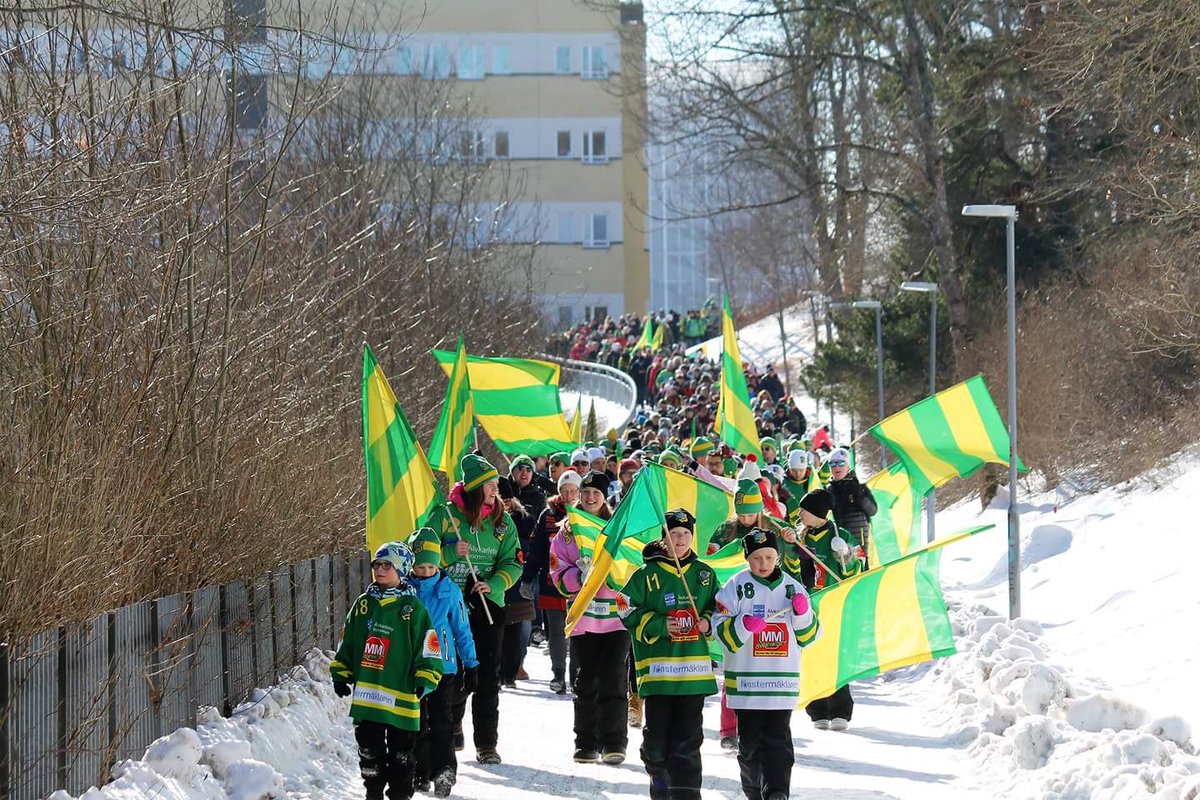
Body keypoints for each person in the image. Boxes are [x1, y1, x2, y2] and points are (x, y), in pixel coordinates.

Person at [617, 508, 721, 800]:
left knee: (690, 737)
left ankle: (687, 793)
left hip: (694, 675)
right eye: (674, 534)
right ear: (664, 538)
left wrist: (708, 620)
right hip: (659, 674)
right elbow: (624, 606)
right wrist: (661, 624)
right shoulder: (646, 574)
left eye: (686, 534)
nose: (680, 539)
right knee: (658, 739)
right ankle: (659, 781)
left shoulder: (704, 574)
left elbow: (721, 607)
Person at [427, 454, 522, 765]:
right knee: (452, 672)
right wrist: (449, 552)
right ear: (476, 487)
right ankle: (452, 723)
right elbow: (420, 554)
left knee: (486, 676)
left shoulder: (503, 521)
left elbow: (513, 562)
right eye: (491, 485)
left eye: (496, 485)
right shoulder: (445, 516)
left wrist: (493, 584)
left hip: (487, 606)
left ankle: (487, 744)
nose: (496, 490)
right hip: (448, 607)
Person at [331, 541, 444, 800]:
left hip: (401, 698)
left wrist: (425, 677)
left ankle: (400, 796)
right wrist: (341, 673)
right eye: (376, 564)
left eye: (387, 565)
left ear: (402, 570)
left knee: (401, 757)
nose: (380, 569)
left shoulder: (413, 609)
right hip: (368, 698)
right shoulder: (363, 605)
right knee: (369, 755)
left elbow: (429, 646)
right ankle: (373, 794)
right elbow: (347, 642)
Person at [713, 529, 819, 800]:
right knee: (749, 746)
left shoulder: (793, 587)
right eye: (757, 557)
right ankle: (753, 790)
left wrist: (803, 613)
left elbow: (809, 637)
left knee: (779, 742)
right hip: (747, 684)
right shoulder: (735, 586)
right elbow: (718, 628)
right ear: (748, 558)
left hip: (780, 682)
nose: (764, 563)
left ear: (778, 556)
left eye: (769, 557)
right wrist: (743, 624)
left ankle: (777, 791)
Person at [550, 470, 629, 764]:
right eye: (586, 492)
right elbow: (556, 570)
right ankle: (585, 741)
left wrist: (613, 574)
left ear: (604, 496)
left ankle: (614, 742)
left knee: (613, 678)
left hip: (616, 619)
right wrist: (577, 577)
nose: (590, 497)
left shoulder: (616, 527)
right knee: (585, 681)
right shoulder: (567, 531)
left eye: (596, 492)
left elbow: (631, 563)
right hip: (584, 618)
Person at [409, 529, 479, 799]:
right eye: (420, 566)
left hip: (443, 667)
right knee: (417, 721)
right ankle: (420, 770)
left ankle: (444, 771)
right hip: (413, 667)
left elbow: (462, 628)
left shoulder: (448, 591)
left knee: (442, 721)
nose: (426, 571)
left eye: (431, 566)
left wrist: (471, 663)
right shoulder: (404, 590)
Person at [793, 489, 864, 730]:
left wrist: (845, 554)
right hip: (807, 604)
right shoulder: (800, 536)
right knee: (811, 654)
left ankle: (841, 709)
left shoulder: (839, 534)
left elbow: (854, 569)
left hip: (833, 603)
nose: (800, 513)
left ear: (818, 513)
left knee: (834, 655)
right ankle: (817, 710)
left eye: (804, 510)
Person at [530, 469, 582, 694]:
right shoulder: (548, 515)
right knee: (557, 631)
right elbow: (537, 548)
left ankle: (576, 676)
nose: (569, 495)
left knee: (578, 631)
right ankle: (559, 674)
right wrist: (528, 575)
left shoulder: (587, 515)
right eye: (565, 491)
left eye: (573, 491)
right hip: (552, 582)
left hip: (580, 584)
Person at [497, 476, 537, 688]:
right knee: (497, 632)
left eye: (506, 497)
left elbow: (531, 548)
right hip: (497, 586)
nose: (503, 502)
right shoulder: (489, 519)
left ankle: (512, 671)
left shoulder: (524, 519)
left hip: (517, 583)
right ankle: (498, 671)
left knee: (517, 632)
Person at [824, 448, 878, 566]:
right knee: (845, 571)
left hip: (859, 541)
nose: (836, 467)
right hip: (840, 541)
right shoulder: (828, 491)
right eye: (832, 464)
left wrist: (859, 496)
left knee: (861, 568)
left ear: (848, 466)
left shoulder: (859, 487)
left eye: (841, 463)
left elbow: (873, 510)